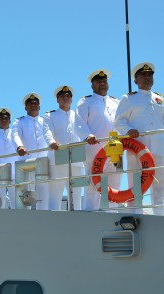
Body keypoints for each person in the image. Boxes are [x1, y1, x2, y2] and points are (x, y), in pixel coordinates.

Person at [114, 62, 164, 215]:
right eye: (143, 75)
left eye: (150, 75)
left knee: (160, 186)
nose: (147, 77)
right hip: (137, 148)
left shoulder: (160, 99)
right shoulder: (128, 99)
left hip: (159, 148)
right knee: (135, 184)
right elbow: (118, 121)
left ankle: (160, 217)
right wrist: (129, 130)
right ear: (135, 80)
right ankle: (135, 216)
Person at [43, 85, 98, 211]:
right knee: (55, 196)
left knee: (77, 196)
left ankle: (77, 223)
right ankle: (54, 222)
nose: (65, 98)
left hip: (76, 162)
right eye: (62, 96)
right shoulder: (50, 115)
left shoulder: (76, 115)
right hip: (57, 160)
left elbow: (82, 128)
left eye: (68, 96)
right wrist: (51, 142)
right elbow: (47, 131)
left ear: (71, 99)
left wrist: (89, 136)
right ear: (57, 100)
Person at [76, 69, 121, 211]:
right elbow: (78, 122)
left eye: (104, 81)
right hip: (95, 149)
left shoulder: (116, 101)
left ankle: (113, 213)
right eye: (98, 81)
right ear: (92, 85)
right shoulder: (86, 101)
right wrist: (87, 135)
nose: (102, 84)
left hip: (116, 149)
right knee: (93, 185)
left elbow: (121, 122)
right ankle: (90, 215)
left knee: (115, 184)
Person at [12, 93, 49, 210]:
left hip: (43, 162)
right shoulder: (20, 121)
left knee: (43, 193)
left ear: (39, 107)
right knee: (27, 194)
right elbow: (15, 134)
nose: (33, 106)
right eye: (30, 104)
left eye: (35, 104)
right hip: (26, 163)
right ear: (25, 107)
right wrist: (19, 146)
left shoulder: (45, 121)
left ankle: (43, 217)